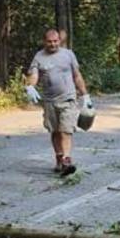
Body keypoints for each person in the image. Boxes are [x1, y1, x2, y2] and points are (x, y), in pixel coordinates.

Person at [25, 29, 93, 176]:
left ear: (59, 41)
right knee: (55, 131)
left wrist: (85, 95)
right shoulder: (39, 57)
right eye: (49, 42)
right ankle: (59, 158)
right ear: (44, 42)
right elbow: (34, 75)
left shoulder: (68, 55)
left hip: (68, 98)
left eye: (55, 41)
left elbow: (77, 75)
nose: (52, 44)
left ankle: (67, 160)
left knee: (66, 129)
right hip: (50, 101)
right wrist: (30, 86)